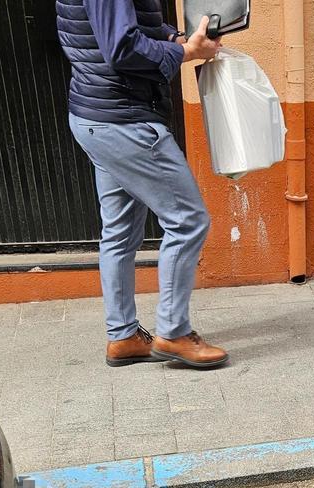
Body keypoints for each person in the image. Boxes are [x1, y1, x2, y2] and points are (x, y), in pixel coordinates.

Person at [57, 1, 229, 369]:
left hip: (98, 115)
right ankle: (174, 332)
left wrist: (172, 36)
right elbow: (122, 48)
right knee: (187, 221)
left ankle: (123, 337)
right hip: (124, 121)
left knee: (119, 231)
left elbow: (125, 28)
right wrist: (185, 51)